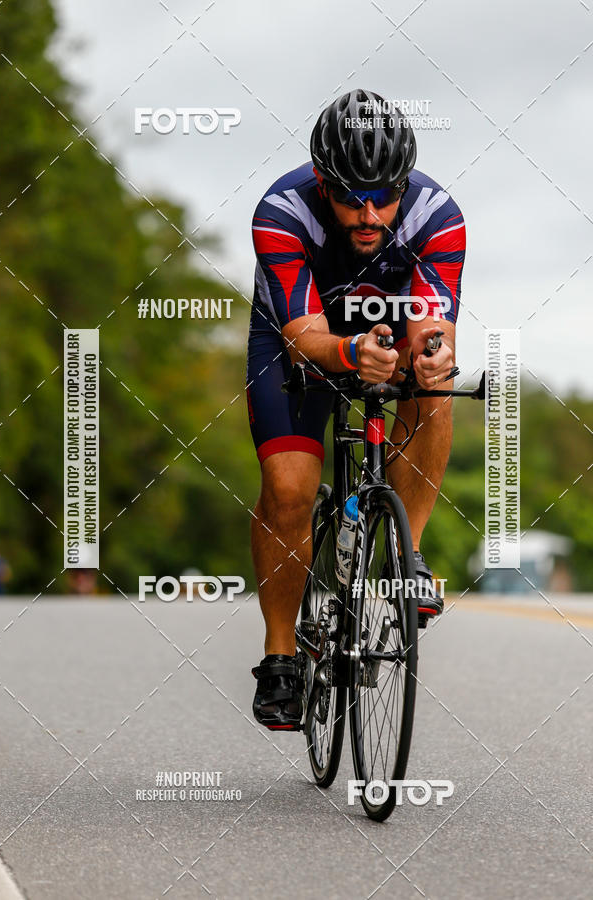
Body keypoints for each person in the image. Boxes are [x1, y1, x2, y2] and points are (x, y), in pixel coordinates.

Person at [246, 89, 466, 730]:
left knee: (437, 382)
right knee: (289, 489)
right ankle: (281, 656)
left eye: (383, 196)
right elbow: (303, 332)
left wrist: (430, 353)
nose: (368, 214)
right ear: (322, 182)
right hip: (300, 334)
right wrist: (347, 351)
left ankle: (407, 557)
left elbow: (435, 321)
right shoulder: (282, 211)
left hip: (390, 331)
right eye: (349, 197)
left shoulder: (437, 214)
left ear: (405, 182)